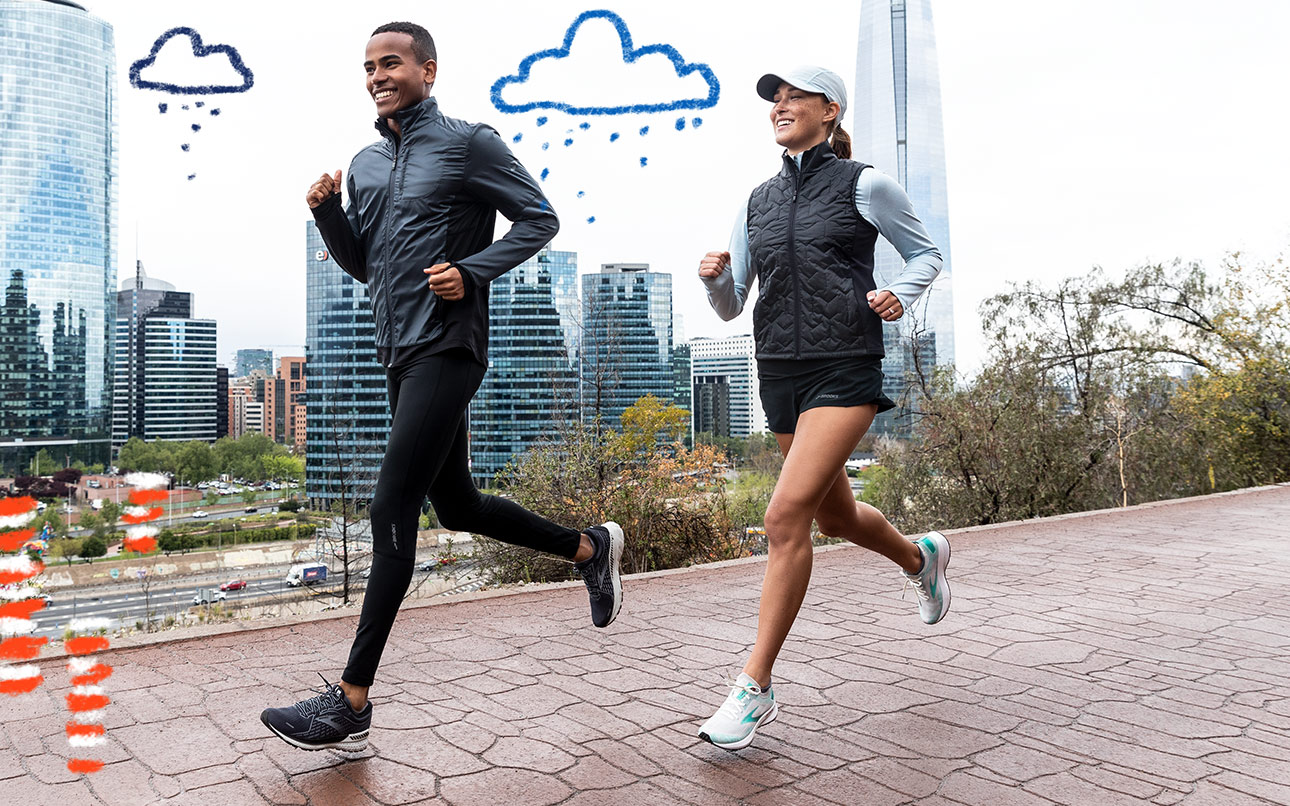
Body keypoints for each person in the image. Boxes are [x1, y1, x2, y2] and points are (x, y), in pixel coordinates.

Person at [260, 21, 624, 753]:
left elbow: (539, 217)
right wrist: (328, 213)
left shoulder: (467, 143)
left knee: (391, 504)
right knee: (455, 506)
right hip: (396, 349)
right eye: (367, 66)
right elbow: (365, 264)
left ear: (428, 68)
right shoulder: (364, 162)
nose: (376, 75)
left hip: (449, 346)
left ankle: (352, 699)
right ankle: (589, 549)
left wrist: (474, 270)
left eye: (390, 62)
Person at [695, 66, 952, 751]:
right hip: (778, 371)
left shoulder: (866, 184)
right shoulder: (757, 200)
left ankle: (756, 686)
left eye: (792, 95)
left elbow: (926, 254)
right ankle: (920, 558)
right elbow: (732, 304)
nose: (779, 105)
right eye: (773, 99)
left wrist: (899, 290)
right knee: (834, 516)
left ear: (828, 110)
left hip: (845, 364)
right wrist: (716, 280)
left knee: (784, 518)